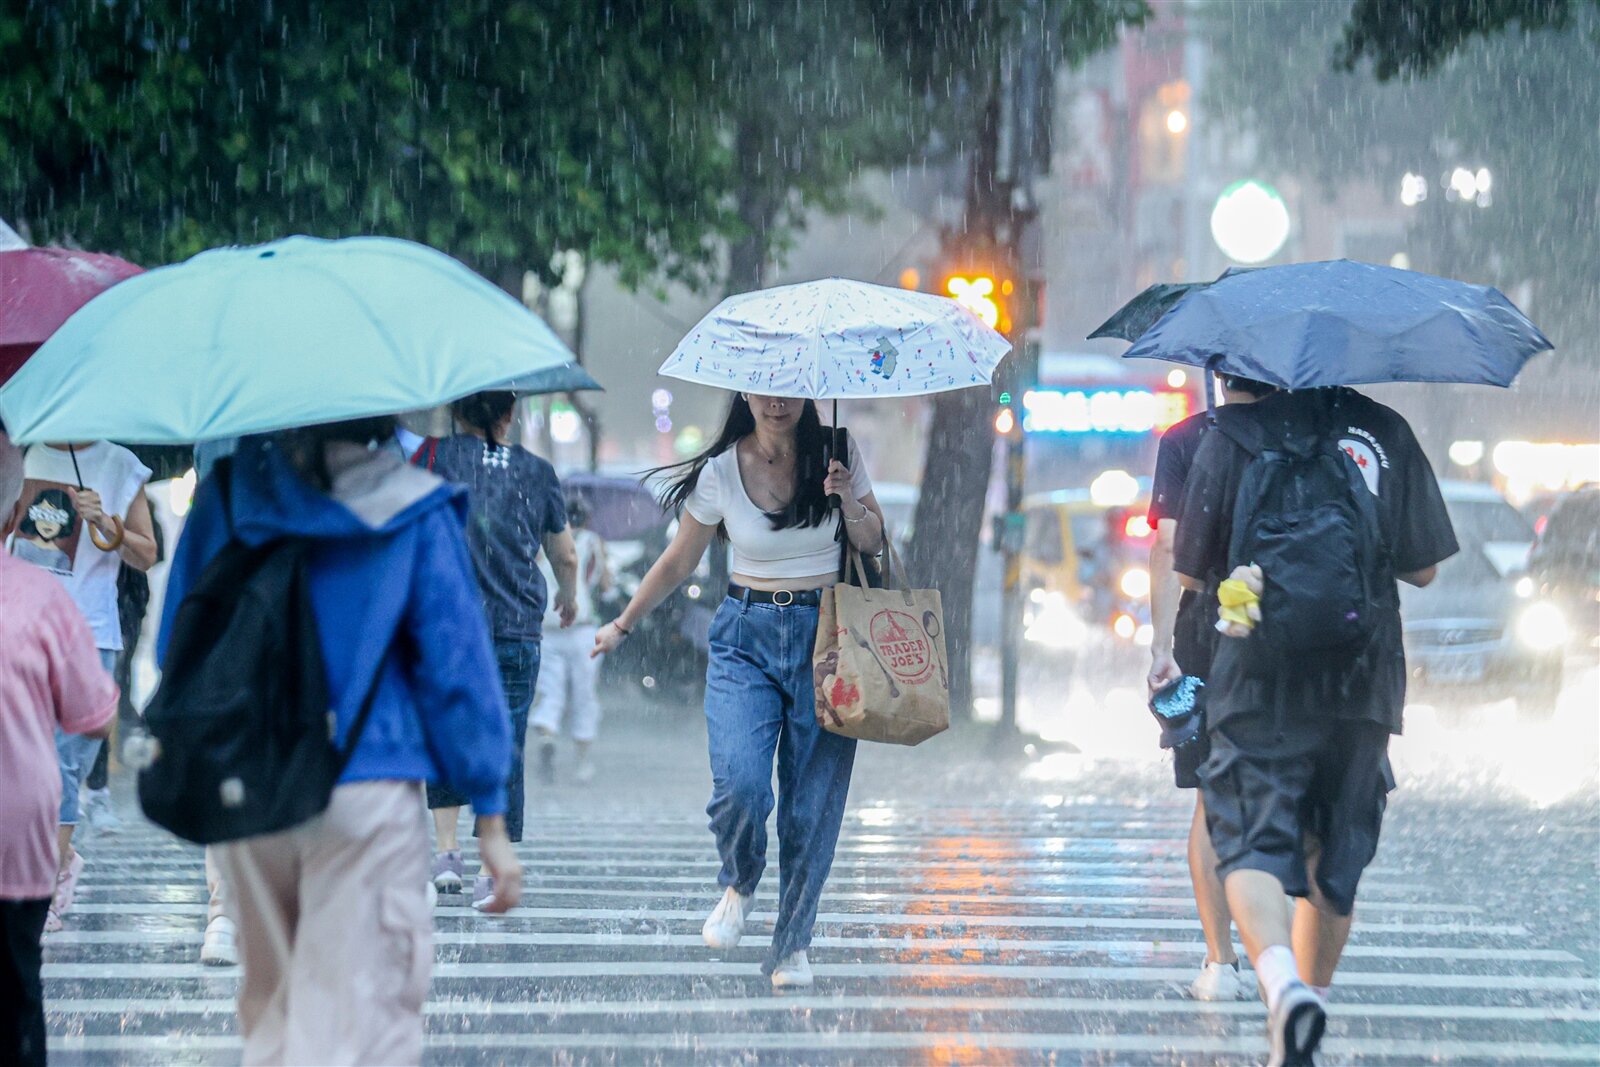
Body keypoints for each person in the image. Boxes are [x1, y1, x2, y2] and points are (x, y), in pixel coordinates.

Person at [160, 420, 523, 1066]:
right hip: (367, 787)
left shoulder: (228, 495)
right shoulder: (414, 505)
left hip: (253, 789)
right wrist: (489, 814)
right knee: (364, 1021)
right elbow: (458, 669)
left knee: (274, 1012)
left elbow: (178, 641)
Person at [1174, 386, 1457, 1066]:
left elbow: (1190, 566)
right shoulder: (1385, 429)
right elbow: (1424, 566)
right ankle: (1313, 1002)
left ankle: (1279, 986)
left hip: (1256, 676)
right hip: (1362, 679)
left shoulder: (1233, 436)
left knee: (1248, 842)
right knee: (1335, 858)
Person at [593, 392, 885, 988]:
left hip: (828, 637)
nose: (775, 403)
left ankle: (793, 943)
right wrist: (623, 623)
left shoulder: (838, 449)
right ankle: (740, 882)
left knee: (812, 804)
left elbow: (875, 541)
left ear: (806, 395)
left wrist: (847, 498)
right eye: (762, 390)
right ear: (745, 395)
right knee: (740, 783)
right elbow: (678, 561)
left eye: (786, 390)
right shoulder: (722, 470)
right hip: (743, 636)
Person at [424, 391, 579, 907]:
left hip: (447, 627)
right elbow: (565, 553)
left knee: (447, 732)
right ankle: (495, 865)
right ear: (509, 415)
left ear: (457, 411)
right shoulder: (536, 471)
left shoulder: (432, 460)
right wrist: (569, 599)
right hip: (515, 629)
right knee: (506, 742)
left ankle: (447, 854)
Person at [1147, 374, 1273, 1002]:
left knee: (1208, 791)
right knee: (1282, 783)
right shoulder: (1306, 435)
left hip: (1204, 629)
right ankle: (1283, 952)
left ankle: (1219, 963)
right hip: (1283, 627)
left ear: (1220, 373)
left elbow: (1169, 543)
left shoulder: (1188, 439)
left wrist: (1159, 645)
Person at [0, 431, 119, 1067]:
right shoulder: (42, 594)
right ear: (16, 515)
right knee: (18, 990)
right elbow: (94, 715)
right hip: (15, 837)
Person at [10, 440, 156, 934]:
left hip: (89, 634)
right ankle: (61, 856)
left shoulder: (121, 466)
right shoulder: (21, 455)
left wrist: (106, 524)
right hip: (19, 628)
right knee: (23, 765)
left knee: (61, 765)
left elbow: (146, 554)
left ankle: (42, 888)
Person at [532, 494, 611, 783]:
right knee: (584, 694)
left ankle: (547, 733)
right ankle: (582, 762)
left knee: (549, 690)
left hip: (547, 626)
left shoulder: (541, 540)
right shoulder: (592, 541)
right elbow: (605, 583)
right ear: (587, 518)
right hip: (581, 627)